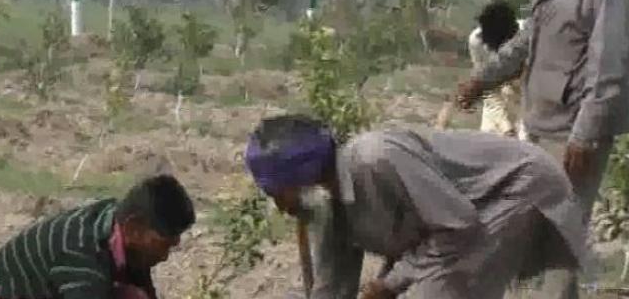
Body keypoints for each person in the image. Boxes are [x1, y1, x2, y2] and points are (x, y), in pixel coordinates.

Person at [457, 0, 629, 297]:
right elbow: (528, 39)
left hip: (572, 131)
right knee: (537, 236)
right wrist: (483, 80)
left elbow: (610, 57)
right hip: (542, 124)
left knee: (559, 241)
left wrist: (586, 133)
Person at [245, 115, 585, 299]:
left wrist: (390, 284)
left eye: (279, 194)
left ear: (306, 179)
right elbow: (333, 285)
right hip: (459, 221)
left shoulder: (376, 159)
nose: (281, 207)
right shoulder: (328, 207)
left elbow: (457, 225)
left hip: (516, 187)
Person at [0, 174, 195, 299]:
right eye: (164, 245)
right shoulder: (82, 252)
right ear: (134, 229)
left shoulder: (119, 229)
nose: (165, 257)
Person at [467, 1, 527, 139]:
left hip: (527, 100)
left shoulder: (532, 39)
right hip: (498, 101)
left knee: (527, 148)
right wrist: (506, 128)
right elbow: (488, 90)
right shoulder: (477, 41)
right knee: (489, 144)